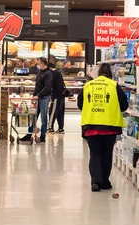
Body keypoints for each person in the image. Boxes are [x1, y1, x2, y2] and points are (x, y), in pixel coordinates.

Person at [78, 63, 128, 192]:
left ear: (98, 73)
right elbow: (124, 105)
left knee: (95, 153)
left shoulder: (88, 86)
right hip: (110, 126)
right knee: (106, 154)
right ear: (110, 73)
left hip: (91, 125)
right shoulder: (114, 86)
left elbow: (80, 104)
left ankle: (95, 181)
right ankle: (105, 182)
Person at [20, 57, 52, 143]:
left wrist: (38, 95)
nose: (37, 65)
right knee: (33, 116)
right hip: (37, 97)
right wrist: (34, 95)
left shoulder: (48, 73)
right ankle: (29, 134)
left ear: (43, 63)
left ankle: (42, 136)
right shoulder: (39, 72)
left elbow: (47, 87)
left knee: (43, 117)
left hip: (44, 97)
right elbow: (37, 86)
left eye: (39, 63)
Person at [47, 62, 66, 134]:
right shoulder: (58, 73)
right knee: (60, 113)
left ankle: (50, 127)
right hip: (62, 96)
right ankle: (61, 128)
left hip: (56, 96)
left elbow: (50, 85)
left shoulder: (52, 74)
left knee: (53, 111)